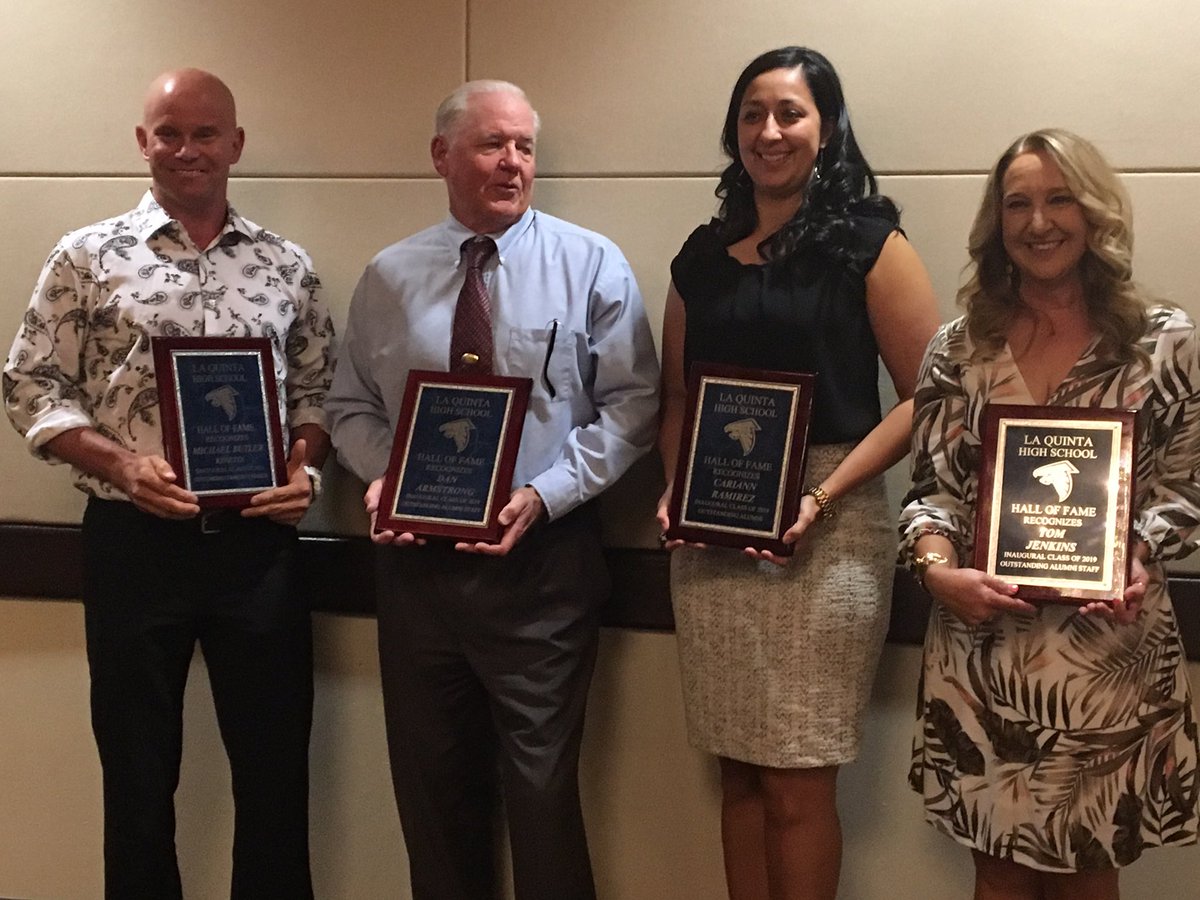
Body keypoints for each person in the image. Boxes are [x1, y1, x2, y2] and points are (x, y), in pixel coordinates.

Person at [2, 68, 334, 899]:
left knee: (274, 776)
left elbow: (318, 389)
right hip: (134, 544)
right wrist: (120, 463)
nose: (188, 149)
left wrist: (304, 466)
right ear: (143, 141)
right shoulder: (85, 256)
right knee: (140, 780)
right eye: (170, 132)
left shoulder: (285, 264)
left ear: (236, 144)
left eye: (206, 133)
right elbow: (29, 384)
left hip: (258, 549)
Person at [326, 79, 660, 900]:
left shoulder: (590, 264)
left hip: (541, 570)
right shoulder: (389, 275)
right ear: (442, 156)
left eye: (524, 147)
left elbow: (633, 405)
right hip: (418, 577)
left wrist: (544, 495)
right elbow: (348, 406)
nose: (512, 163)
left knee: (543, 801)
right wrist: (385, 479)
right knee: (434, 805)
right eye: (491, 144)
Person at [656, 47, 941, 899]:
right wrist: (679, 491)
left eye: (790, 112)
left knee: (796, 778)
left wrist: (820, 495)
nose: (769, 131)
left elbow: (927, 397)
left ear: (826, 128)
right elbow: (677, 397)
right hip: (714, 533)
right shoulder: (700, 257)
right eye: (752, 114)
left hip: (829, 528)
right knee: (738, 772)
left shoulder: (870, 243)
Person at [900, 128, 1200, 899]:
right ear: (996, 223)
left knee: (1086, 876)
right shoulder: (958, 351)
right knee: (996, 873)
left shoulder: (1163, 346)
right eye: (1019, 203)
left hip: (1109, 651)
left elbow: (1187, 488)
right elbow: (928, 493)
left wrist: (1138, 555)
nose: (1039, 222)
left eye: (1059, 199)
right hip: (984, 654)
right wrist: (939, 575)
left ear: (1095, 211)